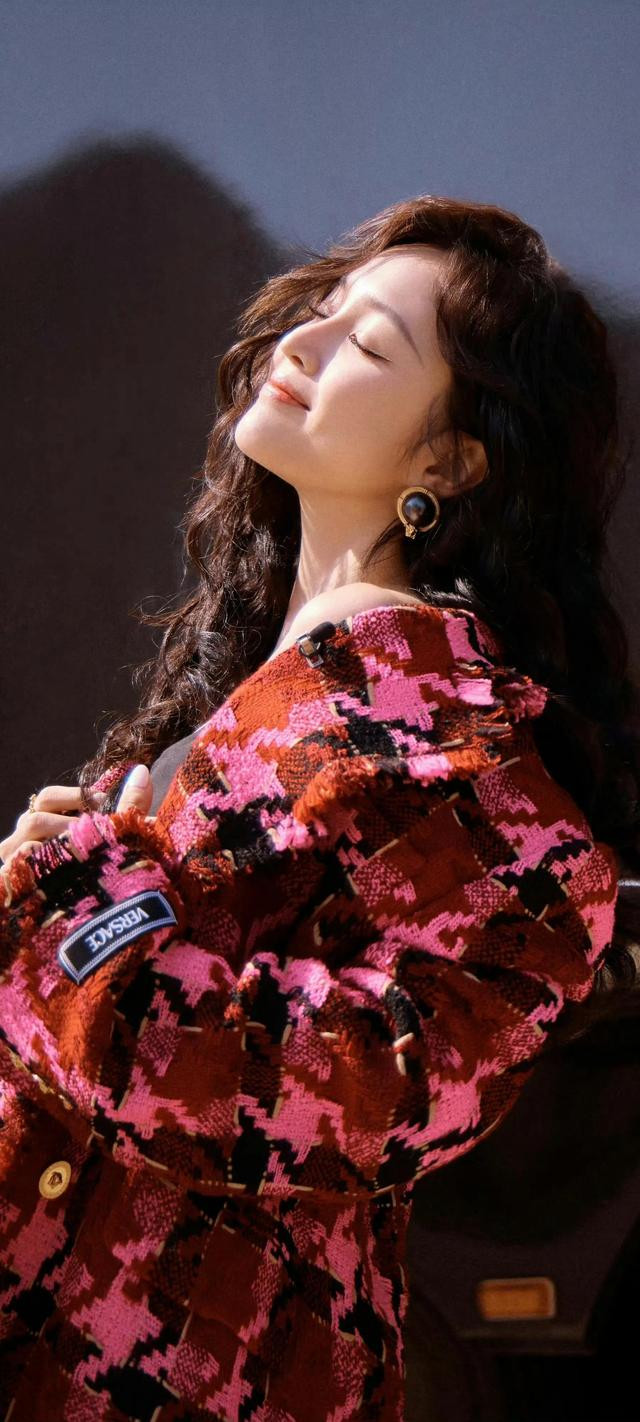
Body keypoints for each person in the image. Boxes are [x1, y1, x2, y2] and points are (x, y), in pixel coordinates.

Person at [0, 194, 636, 1421]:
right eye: (322, 310)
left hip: (195, 1372)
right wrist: (53, 882)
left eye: (369, 343)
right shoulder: (275, 678)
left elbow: (392, 1087)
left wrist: (81, 923)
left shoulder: (445, 721)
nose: (302, 341)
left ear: (448, 463)